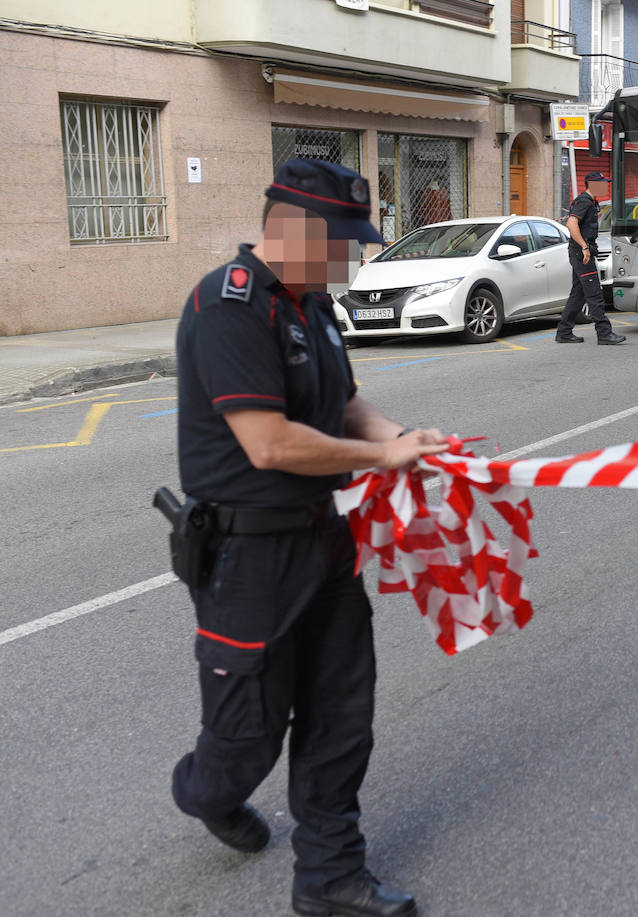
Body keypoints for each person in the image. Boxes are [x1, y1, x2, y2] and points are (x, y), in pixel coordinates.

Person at [169, 158, 447, 917]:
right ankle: (204, 790)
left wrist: (407, 437)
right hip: (247, 558)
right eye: (341, 240)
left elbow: (347, 406)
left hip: (323, 542)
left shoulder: (315, 305)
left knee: (340, 710)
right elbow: (269, 443)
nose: (351, 256)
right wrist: (382, 457)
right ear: (291, 228)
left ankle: (329, 876)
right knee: (246, 735)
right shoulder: (228, 307)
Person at [555, 172, 626, 345]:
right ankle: (604, 334)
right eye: (602, 183)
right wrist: (584, 247)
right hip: (582, 254)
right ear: (592, 184)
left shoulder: (591, 202)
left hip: (581, 253)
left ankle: (563, 332)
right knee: (595, 294)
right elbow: (571, 223)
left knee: (578, 294)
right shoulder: (584, 202)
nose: (605, 186)